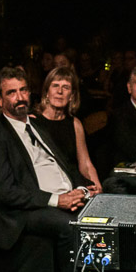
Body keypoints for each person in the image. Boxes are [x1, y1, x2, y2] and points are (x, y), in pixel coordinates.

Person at [0, 68, 87, 272]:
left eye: (23, 90)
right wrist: (57, 200)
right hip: (25, 211)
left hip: (60, 197)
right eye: (11, 92)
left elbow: (65, 165)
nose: (20, 97)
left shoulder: (37, 127)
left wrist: (83, 189)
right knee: (70, 226)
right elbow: (6, 192)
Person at [34, 65, 102, 193]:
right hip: (48, 188)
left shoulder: (75, 124)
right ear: (47, 92)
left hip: (74, 184)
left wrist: (98, 188)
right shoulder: (33, 122)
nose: (60, 91)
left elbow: (86, 164)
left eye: (66, 87)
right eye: (55, 86)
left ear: (71, 96)